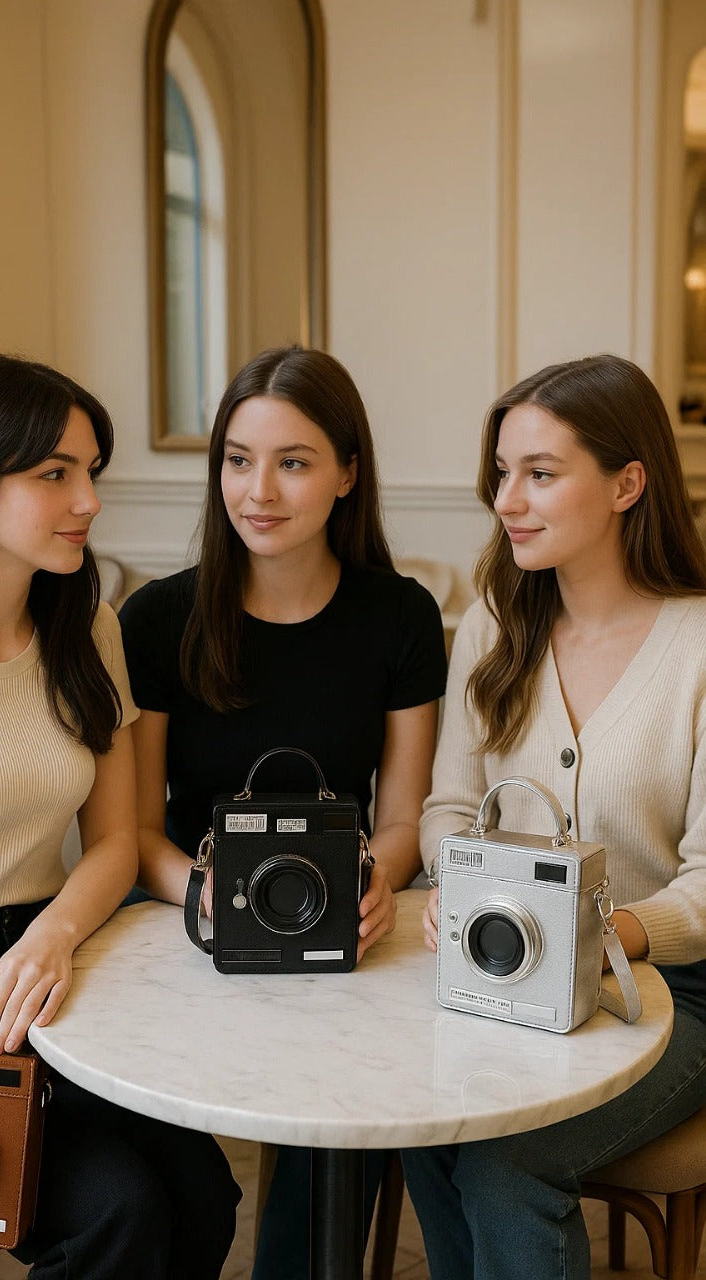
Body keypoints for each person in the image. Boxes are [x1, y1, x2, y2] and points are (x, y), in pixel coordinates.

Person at [0, 354, 240, 1280]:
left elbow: (113, 841)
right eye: (55, 474)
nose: (89, 500)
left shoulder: (86, 631)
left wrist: (54, 938)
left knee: (204, 1194)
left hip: (42, 975)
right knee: (117, 1211)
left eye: (91, 472)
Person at [118, 344, 448, 1280]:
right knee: (174, 1185)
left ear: (347, 474)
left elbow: (401, 813)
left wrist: (377, 875)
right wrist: (209, 896)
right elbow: (139, 836)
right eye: (237, 458)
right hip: (186, 928)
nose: (257, 490)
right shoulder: (157, 620)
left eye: (293, 462)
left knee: (340, 1116)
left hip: (335, 922)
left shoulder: (401, 618)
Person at [401, 353, 706, 1280]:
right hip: (505, 976)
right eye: (502, 473)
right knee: (419, 1115)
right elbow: (448, 805)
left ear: (626, 482)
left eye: (539, 473)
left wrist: (600, 932)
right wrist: (458, 885)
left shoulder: (698, 647)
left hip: (670, 995)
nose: (506, 499)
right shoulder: (493, 626)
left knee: (504, 1158)